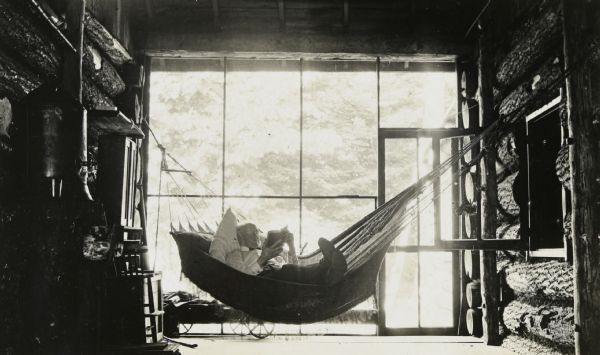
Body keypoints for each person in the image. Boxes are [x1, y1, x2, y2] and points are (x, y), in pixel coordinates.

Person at [209, 209, 346, 285]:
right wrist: (263, 259)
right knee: (287, 270)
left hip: (283, 281)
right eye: (252, 231)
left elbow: (297, 269)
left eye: (258, 232)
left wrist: (291, 246)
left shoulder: (268, 251)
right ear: (240, 236)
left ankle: (328, 270)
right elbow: (241, 279)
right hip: (264, 284)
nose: (257, 235)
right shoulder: (235, 255)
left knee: (292, 269)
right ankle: (327, 269)